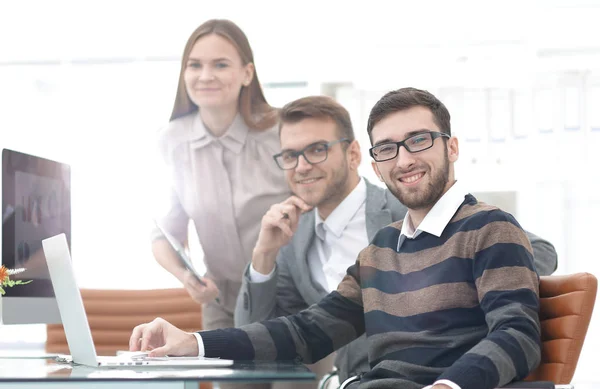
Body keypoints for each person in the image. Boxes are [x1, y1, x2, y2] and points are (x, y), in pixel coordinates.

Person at [133, 88, 542, 389]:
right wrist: (193, 342)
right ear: (376, 165)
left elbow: (517, 335)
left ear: (451, 147)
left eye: (418, 140)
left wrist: (449, 387)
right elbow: (304, 331)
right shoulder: (380, 251)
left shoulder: (490, 227)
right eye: (387, 149)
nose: (403, 159)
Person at [150, 19, 290, 389]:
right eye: (194, 65)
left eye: (220, 64)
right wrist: (187, 277)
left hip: (291, 299)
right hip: (223, 302)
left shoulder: (282, 132)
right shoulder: (172, 140)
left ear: (247, 73)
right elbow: (163, 233)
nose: (205, 75)